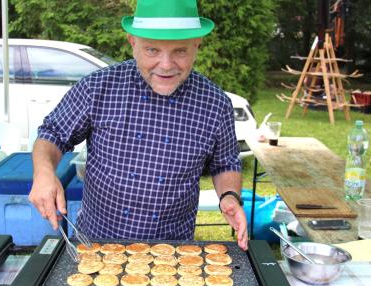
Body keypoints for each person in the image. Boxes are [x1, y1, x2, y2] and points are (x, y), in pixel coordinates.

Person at [29, 0, 249, 250]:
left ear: (196, 46)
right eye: (152, 50)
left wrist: (230, 195)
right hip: (97, 243)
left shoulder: (215, 103)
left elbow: (225, 163)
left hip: (173, 251)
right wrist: (44, 173)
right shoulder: (98, 88)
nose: (166, 65)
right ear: (133, 42)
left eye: (180, 51)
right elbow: (53, 133)